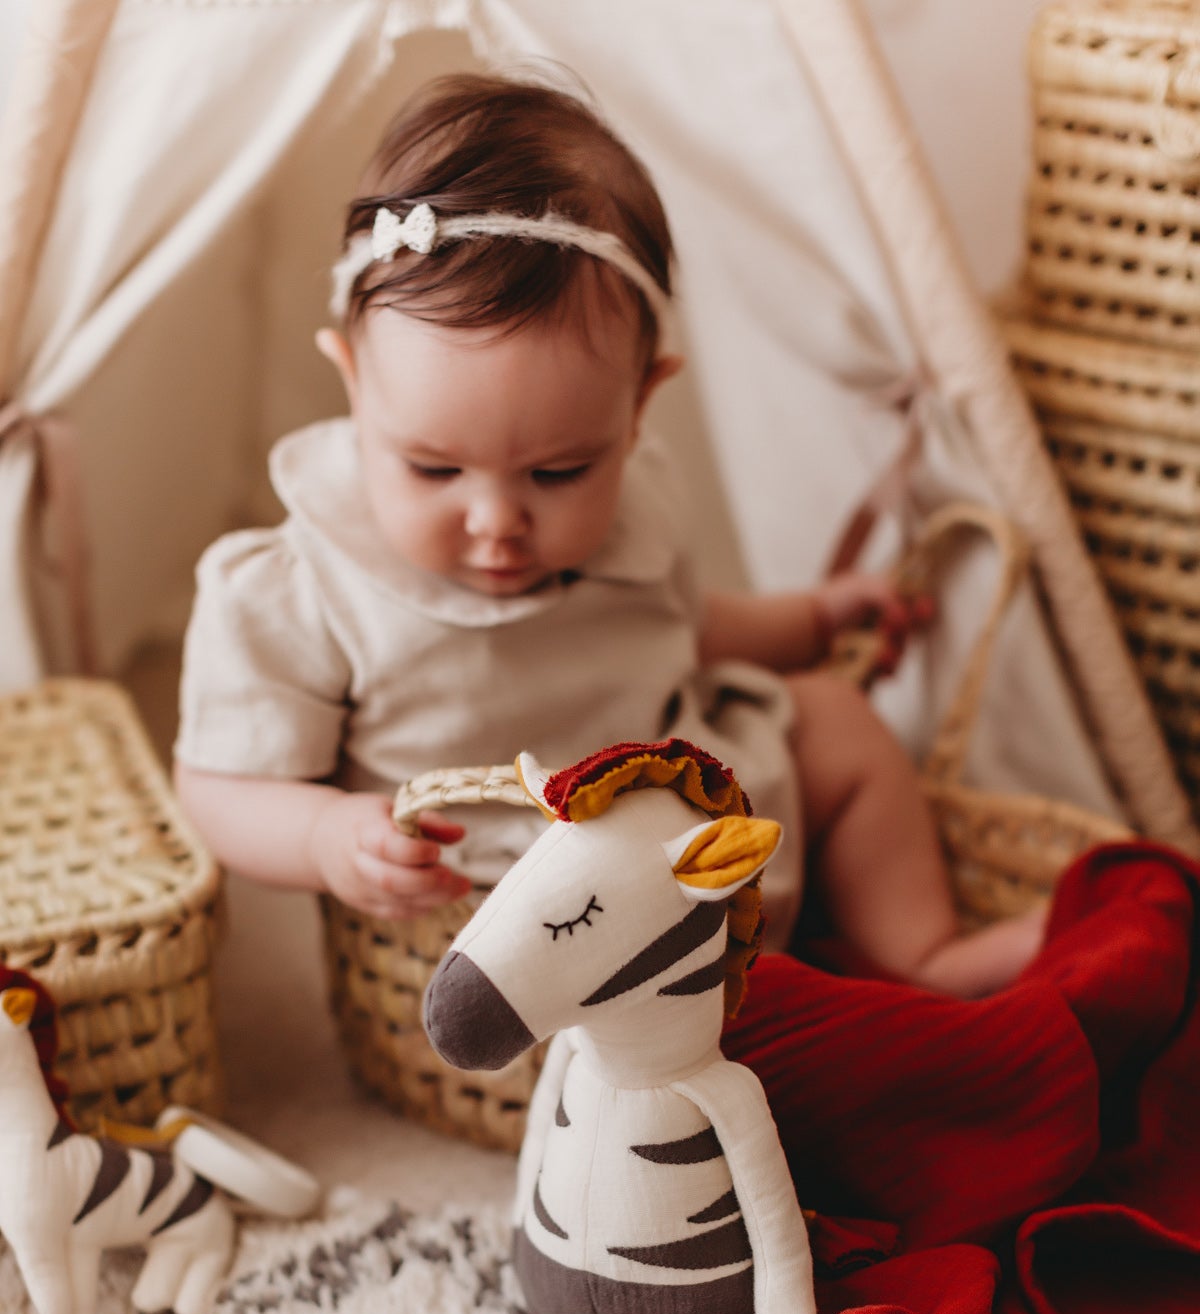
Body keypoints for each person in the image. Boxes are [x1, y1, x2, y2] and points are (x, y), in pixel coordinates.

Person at [174, 71, 1042, 996]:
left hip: (693, 823)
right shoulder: (304, 587)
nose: (497, 522)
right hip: (518, 905)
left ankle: (920, 953)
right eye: (433, 469)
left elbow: (676, 629)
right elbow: (218, 785)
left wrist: (814, 619)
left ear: (638, 408)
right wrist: (324, 836)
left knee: (835, 722)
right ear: (353, 383)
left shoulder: (634, 507)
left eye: (558, 473)